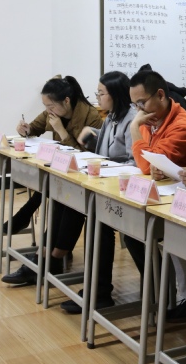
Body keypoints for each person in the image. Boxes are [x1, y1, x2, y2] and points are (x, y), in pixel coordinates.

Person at [2, 76, 103, 285]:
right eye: (45, 106)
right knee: (55, 192)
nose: (48, 110)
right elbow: (35, 127)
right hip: (61, 173)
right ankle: (46, 254)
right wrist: (25, 129)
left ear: (66, 101)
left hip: (83, 176)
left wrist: (61, 131)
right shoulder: (52, 112)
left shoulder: (91, 115)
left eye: (51, 106)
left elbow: (86, 155)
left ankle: (47, 255)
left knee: (63, 197)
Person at [126, 70, 186, 321]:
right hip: (163, 196)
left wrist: (134, 127)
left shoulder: (181, 125)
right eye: (135, 105)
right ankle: (160, 290)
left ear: (160, 95)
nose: (139, 111)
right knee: (132, 231)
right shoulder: (152, 119)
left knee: (152, 232)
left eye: (142, 103)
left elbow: (145, 165)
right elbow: (149, 165)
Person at [58, 72, 137, 313]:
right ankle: (95, 288)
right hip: (106, 185)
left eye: (101, 93)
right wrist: (91, 137)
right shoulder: (112, 116)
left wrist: (107, 166)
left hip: (124, 190)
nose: (98, 97)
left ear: (116, 95)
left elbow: (135, 163)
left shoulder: (132, 120)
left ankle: (99, 291)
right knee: (76, 207)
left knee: (99, 224)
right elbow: (105, 148)